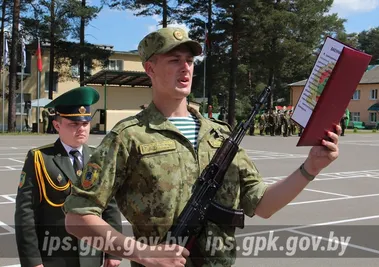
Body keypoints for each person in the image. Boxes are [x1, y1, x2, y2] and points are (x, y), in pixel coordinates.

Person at [62, 27, 341, 267]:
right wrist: (142, 252)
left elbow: (263, 204)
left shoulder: (220, 136)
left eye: (189, 60)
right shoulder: (129, 136)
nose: (185, 68)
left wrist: (310, 167)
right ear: (150, 68)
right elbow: (77, 217)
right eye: (174, 60)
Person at [14, 86, 122, 267]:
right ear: (57, 125)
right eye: (74, 124)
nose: (81, 129)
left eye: (85, 124)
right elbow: (26, 215)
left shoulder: (99, 158)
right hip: (54, 256)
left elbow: (110, 208)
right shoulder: (40, 158)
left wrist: (113, 252)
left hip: (91, 256)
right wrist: (32, 261)